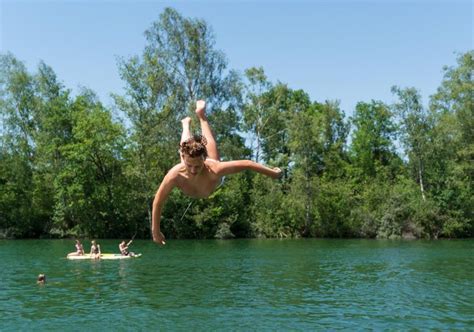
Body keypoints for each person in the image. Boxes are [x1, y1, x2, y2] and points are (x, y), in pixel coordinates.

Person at [152, 100, 282, 245]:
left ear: (203, 158)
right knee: (185, 152)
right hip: (188, 164)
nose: (193, 170)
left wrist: (273, 173)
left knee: (214, 158)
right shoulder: (175, 174)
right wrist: (155, 231)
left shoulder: (214, 168)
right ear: (183, 157)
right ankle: (185, 125)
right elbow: (158, 201)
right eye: (190, 165)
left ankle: (201, 116)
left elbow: (248, 164)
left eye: (197, 166)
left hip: (213, 173)